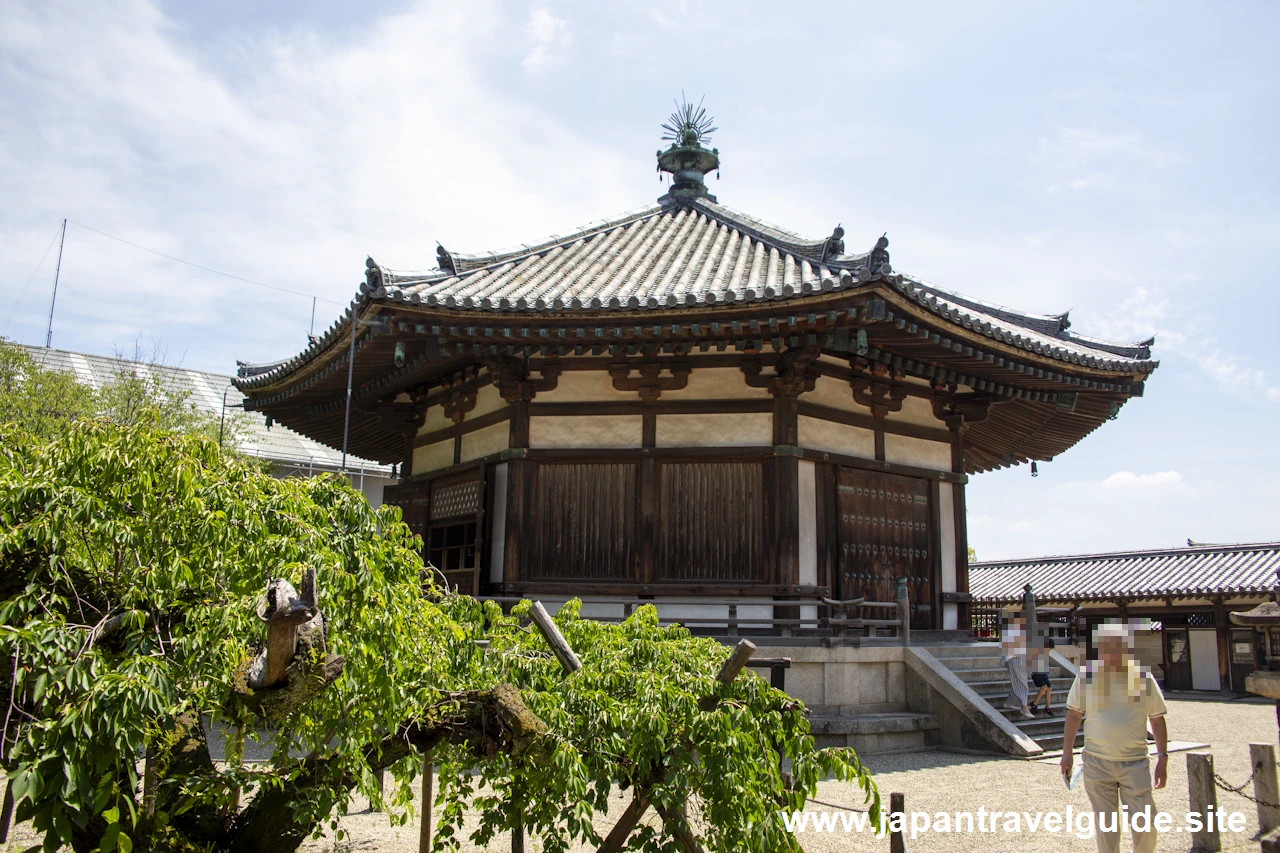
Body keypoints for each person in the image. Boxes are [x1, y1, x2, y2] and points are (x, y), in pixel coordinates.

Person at [1060, 622, 1168, 853]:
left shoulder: (1143, 678)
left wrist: (1163, 757)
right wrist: (1067, 753)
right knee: (1106, 826)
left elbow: (1157, 719)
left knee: (1146, 823)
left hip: (1135, 761)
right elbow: (1073, 715)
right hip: (1096, 760)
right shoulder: (1087, 676)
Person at [1001, 614, 1034, 719]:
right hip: (1015, 658)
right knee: (1022, 682)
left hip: (1021, 658)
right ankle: (1024, 706)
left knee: (1019, 681)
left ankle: (1010, 702)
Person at [1031, 637, 1056, 715]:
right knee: (1044, 687)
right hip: (1036, 673)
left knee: (1049, 688)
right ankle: (1034, 704)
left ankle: (1047, 707)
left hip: (1043, 673)